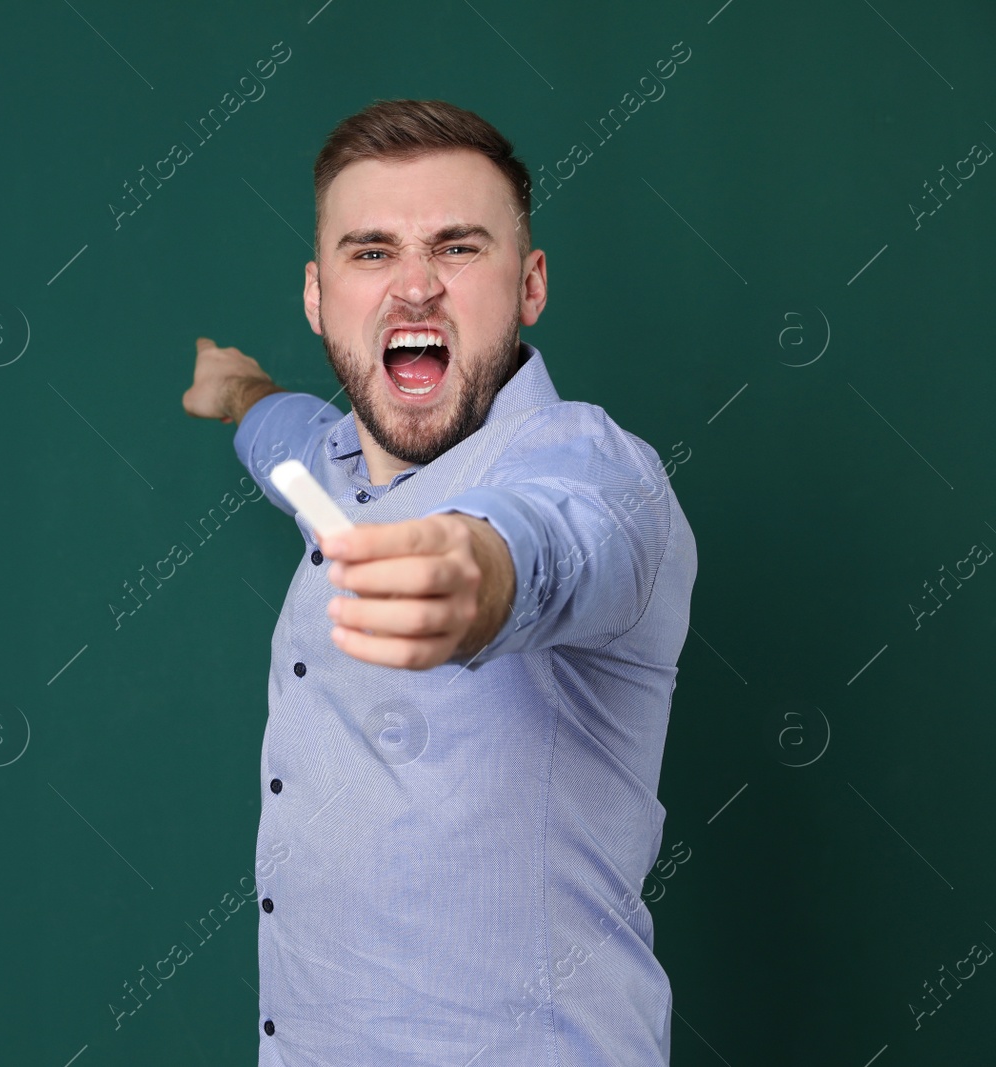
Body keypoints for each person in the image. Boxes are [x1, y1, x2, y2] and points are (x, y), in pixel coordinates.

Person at [182, 99, 698, 1066]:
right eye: (370, 252)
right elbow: (285, 437)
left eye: (458, 249)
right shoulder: (331, 466)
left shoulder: (599, 471)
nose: (414, 287)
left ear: (531, 285)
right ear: (317, 295)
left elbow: (553, 540)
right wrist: (238, 391)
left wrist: (477, 573)